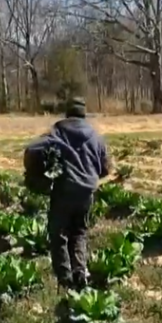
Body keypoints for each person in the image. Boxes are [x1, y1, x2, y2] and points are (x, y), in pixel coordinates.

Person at [24, 98, 110, 290]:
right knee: (79, 232)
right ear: (84, 114)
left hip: (64, 190)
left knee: (59, 234)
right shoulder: (95, 136)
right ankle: (80, 272)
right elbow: (105, 168)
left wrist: (38, 171)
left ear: (67, 114)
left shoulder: (58, 132)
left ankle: (65, 279)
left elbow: (33, 149)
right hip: (87, 191)